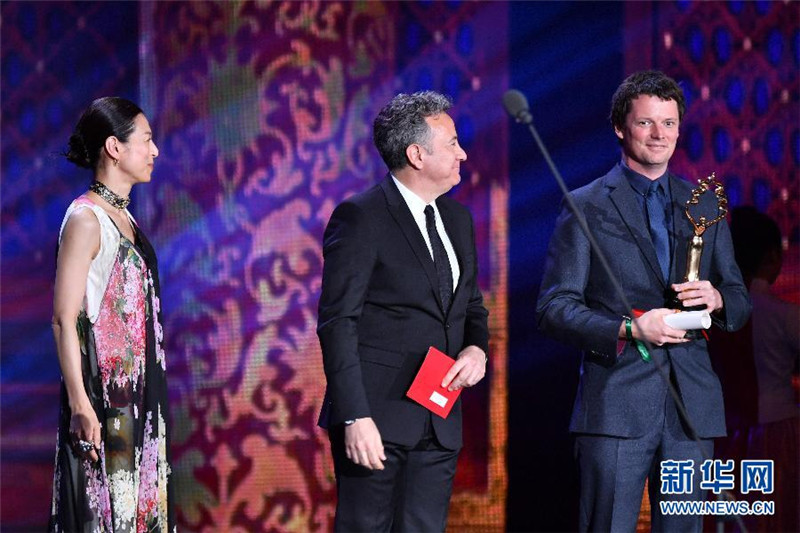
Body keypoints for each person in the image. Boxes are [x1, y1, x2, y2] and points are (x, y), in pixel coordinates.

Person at [536, 71, 750, 532]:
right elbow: (554, 308)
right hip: (616, 405)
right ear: (620, 127)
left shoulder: (703, 203)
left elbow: (738, 297)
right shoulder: (585, 205)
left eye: (669, 123)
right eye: (646, 123)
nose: (659, 135)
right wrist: (630, 329)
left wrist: (716, 297)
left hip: (691, 408)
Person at [317, 91, 489, 532]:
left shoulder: (458, 219)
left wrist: (476, 350)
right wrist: (354, 416)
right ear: (416, 154)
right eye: (452, 144)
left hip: (440, 416)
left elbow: (471, 305)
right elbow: (338, 323)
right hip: (376, 416)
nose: (463, 154)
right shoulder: (361, 217)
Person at [50, 97, 174, 531]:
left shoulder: (125, 218)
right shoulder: (86, 220)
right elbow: (64, 319)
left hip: (140, 395)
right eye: (147, 139)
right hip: (106, 401)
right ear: (114, 147)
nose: (155, 150)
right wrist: (80, 403)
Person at [729, 206, 799, 533]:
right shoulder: (785, 314)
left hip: (730, 435)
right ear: (772, 256)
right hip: (778, 430)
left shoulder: (715, 314)